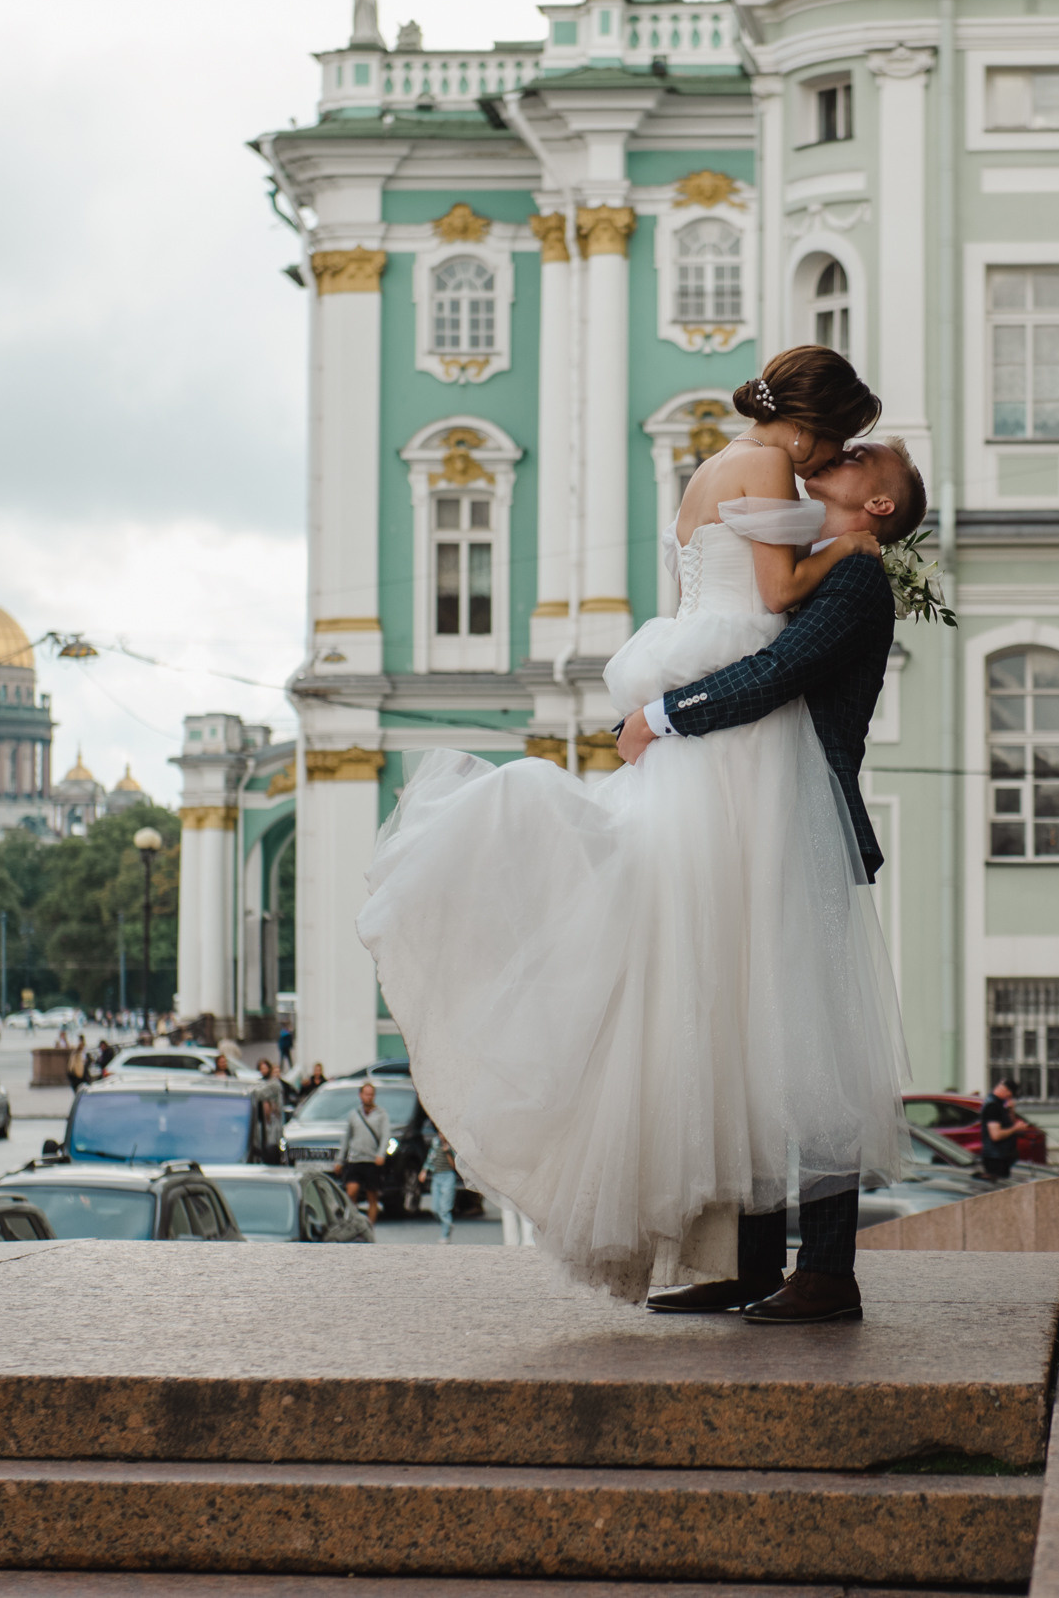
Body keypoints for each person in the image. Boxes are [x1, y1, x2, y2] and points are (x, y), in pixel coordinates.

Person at [360, 346, 929, 1319]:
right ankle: (749, 1262)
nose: (845, 455)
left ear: (875, 504)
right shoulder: (796, 526)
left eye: (860, 459)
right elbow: (753, 633)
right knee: (744, 1029)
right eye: (845, 440)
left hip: (796, 822)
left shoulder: (856, 581)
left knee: (806, 1039)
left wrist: (659, 716)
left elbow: (768, 675)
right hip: (745, 802)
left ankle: (826, 1268)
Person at [340, 1081, 392, 1225]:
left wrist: (381, 1154)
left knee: (372, 1197)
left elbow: (385, 1135)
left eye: (371, 1094)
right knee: (351, 1192)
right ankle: (353, 1223)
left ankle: (369, 1227)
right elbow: (346, 1138)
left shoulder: (381, 1114)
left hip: (372, 1161)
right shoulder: (354, 1114)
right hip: (355, 1159)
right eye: (366, 1094)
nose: (368, 1097)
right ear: (360, 1095)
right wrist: (339, 1160)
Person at [422, 1119, 461, 1244]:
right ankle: (447, 1223)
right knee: (435, 1208)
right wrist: (424, 1170)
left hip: (448, 1176)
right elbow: (431, 1157)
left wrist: (448, 1152)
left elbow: (454, 1166)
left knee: (445, 1207)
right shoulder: (435, 1143)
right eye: (439, 1133)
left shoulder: (451, 1146)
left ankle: (445, 1233)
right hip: (436, 1175)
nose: (441, 1136)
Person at [977, 1080, 1023, 1183]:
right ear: (1006, 1091)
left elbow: (1009, 1124)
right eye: (1010, 1095)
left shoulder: (1000, 1104)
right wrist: (1016, 1128)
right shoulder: (992, 1107)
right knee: (998, 1187)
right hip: (995, 1158)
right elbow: (996, 1135)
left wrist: (1011, 1110)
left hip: (1001, 1156)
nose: (1010, 1098)